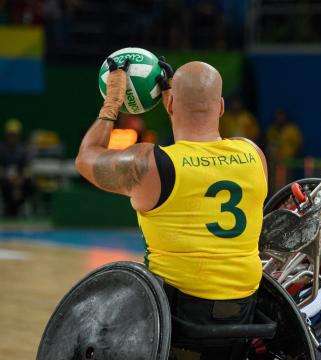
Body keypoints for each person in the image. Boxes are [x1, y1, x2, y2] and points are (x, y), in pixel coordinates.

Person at [74, 58, 268, 343]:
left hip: (172, 322)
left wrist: (112, 102)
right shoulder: (253, 155)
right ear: (222, 107)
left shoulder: (150, 164)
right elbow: (205, 155)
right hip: (241, 319)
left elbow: (86, 158)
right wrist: (175, 102)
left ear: (170, 105)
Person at [0, 118, 34, 217]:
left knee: (30, 185)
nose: (12, 137)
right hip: (5, 179)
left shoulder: (23, 149)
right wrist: (9, 177)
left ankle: (28, 212)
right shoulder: (1, 149)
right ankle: (7, 210)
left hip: (21, 180)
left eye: (14, 135)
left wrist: (20, 179)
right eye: (10, 135)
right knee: (5, 185)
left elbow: (28, 168)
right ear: (6, 135)